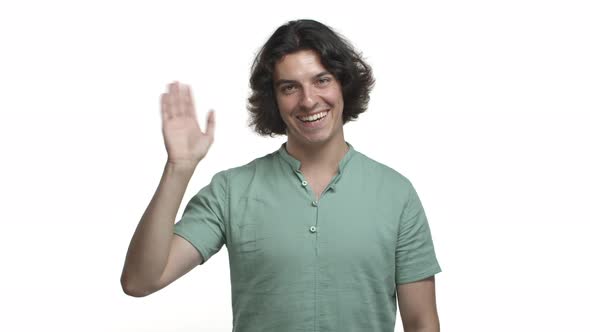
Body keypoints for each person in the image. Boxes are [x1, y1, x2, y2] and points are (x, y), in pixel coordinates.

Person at [121, 19, 442, 332]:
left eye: (322, 80)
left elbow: (422, 323)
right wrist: (179, 168)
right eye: (290, 87)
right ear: (273, 99)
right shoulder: (231, 190)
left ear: (343, 84)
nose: (308, 100)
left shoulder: (395, 193)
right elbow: (140, 281)